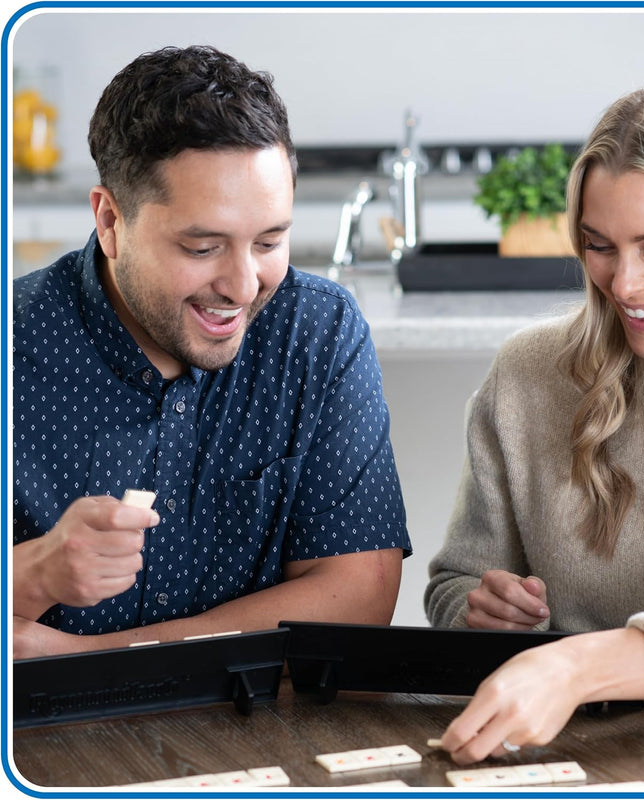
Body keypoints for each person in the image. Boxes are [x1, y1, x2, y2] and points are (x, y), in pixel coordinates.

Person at [425, 80, 644, 764]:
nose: (622, 284)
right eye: (599, 245)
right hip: (558, 761)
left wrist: (582, 665)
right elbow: (452, 589)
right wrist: (482, 609)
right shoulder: (527, 376)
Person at [13, 45, 411, 659]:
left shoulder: (318, 330)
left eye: (270, 241)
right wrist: (32, 575)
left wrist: (93, 658)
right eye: (202, 248)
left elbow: (358, 598)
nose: (244, 286)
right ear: (110, 220)